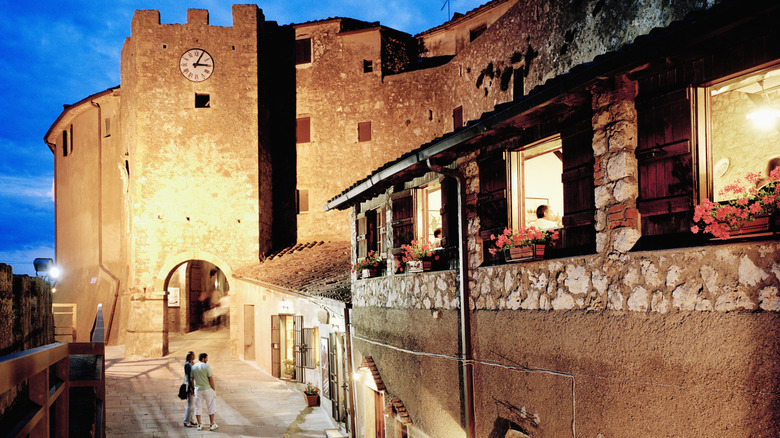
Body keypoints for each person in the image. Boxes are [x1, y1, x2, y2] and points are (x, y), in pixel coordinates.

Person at [191, 352, 218, 431]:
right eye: (206, 358)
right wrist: (213, 389)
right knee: (211, 406)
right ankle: (212, 424)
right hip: (207, 389)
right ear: (203, 359)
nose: (207, 359)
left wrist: (193, 388)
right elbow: (211, 379)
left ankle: (199, 424)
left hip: (198, 390)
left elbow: (191, 379)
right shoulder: (206, 367)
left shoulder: (194, 367)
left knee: (198, 407)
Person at [182, 351, 196, 427]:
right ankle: (186, 421)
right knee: (190, 404)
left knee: (193, 404)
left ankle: (191, 419)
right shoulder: (188, 365)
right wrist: (191, 387)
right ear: (190, 356)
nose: (195, 356)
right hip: (190, 386)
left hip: (193, 385)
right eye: (193, 355)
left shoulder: (192, 364)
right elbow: (188, 377)